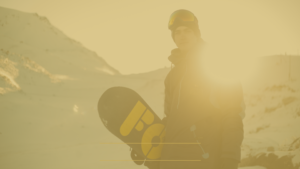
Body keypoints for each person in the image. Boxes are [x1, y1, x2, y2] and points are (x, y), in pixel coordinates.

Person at [131, 9, 245, 169]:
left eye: (187, 31)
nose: (182, 35)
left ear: (196, 34)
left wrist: (230, 157)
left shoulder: (217, 63)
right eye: (177, 32)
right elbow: (170, 120)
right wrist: (148, 150)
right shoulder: (172, 77)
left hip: (205, 160)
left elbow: (232, 114)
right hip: (171, 161)